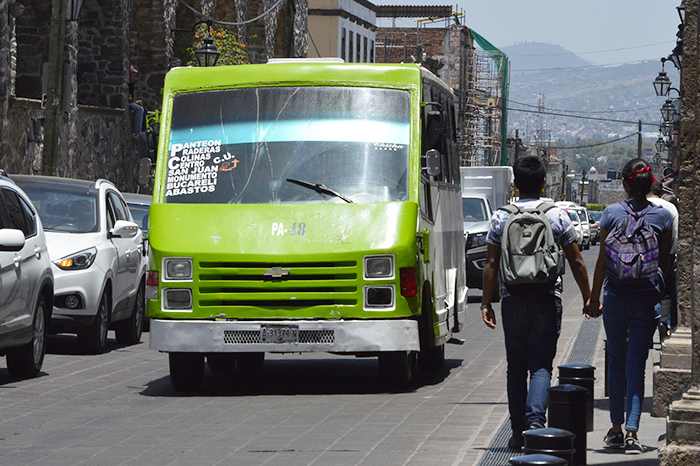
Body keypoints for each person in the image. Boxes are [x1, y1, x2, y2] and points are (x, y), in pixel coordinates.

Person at [481, 155, 592, 450]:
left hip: (512, 299)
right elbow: (577, 261)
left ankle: (517, 432)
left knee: (515, 367)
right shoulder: (556, 216)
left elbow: (491, 264)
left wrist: (485, 303)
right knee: (541, 366)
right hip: (546, 298)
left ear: (515, 184)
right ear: (544, 182)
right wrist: (588, 298)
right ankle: (534, 426)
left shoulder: (500, 217)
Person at [585, 159, 672, 455]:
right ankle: (634, 432)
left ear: (624, 183)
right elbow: (663, 263)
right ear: (651, 184)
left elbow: (601, 262)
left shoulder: (610, 214)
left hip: (615, 297)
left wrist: (593, 298)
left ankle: (616, 429)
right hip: (646, 299)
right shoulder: (662, 217)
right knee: (638, 364)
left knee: (617, 363)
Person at [648, 181, 678, 337]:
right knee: (666, 291)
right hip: (667, 254)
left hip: (644, 255)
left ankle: (646, 330)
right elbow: (677, 234)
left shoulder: (641, 205)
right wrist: (677, 257)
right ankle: (663, 321)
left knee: (646, 290)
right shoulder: (671, 208)